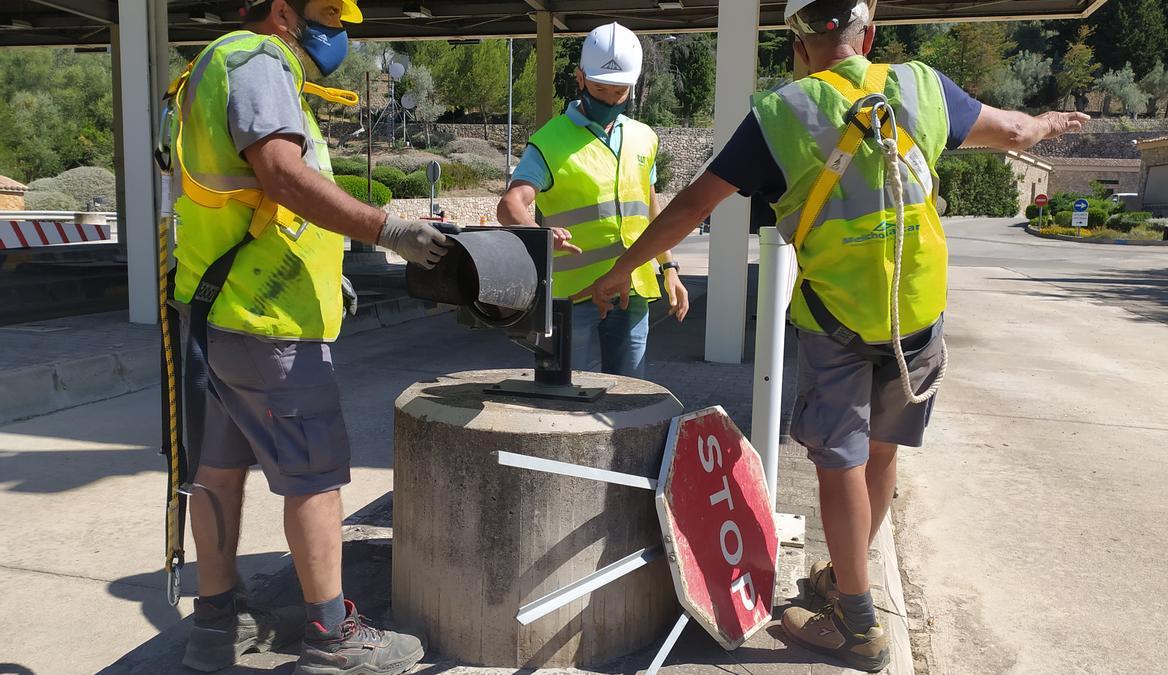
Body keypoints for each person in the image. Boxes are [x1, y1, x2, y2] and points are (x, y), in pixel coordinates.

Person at [572, 0, 1089, 670]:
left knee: (838, 459)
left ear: (798, 43)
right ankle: (850, 582)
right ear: (868, 34)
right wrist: (1051, 121)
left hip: (839, 317)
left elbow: (696, 203)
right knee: (881, 453)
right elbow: (1016, 131)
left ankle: (858, 622)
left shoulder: (782, 113)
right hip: (919, 312)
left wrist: (624, 267)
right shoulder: (921, 86)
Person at [170, 1, 450, 672]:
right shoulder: (260, 60)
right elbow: (281, 174)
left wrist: (322, 263)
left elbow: (257, 199)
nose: (339, 30)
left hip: (215, 309)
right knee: (315, 477)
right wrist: (388, 230)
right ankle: (332, 635)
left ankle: (214, 624)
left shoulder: (218, 63)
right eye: (326, 12)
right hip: (269, 325)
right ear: (281, 12)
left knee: (217, 469)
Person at [496, 21, 689, 378]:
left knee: (629, 399)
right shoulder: (549, 141)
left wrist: (669, 268)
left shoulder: (644, 138)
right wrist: (536, 231)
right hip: (572, 299)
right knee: (563, 395)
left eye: (619, 92)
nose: (610, 100)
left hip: (633, 288)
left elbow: (649, 209)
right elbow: (510, 204)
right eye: (601, 89)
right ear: (580, 77)